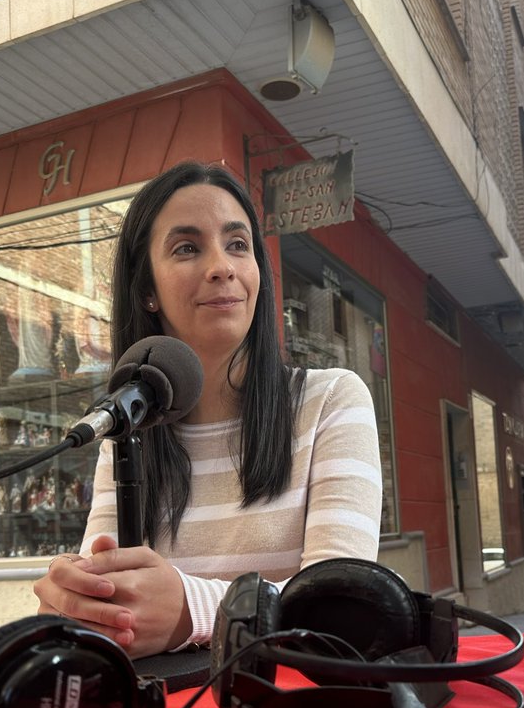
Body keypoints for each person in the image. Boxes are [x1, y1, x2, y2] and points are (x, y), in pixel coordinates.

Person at [34, 161, 383, 657]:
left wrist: (189, 612)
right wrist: (80, 605)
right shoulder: (126, 430)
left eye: (238, 244)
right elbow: (114, 603)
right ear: (147, 291)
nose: (222, 266)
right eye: (187, 248)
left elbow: (342, 608)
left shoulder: (331, 401)